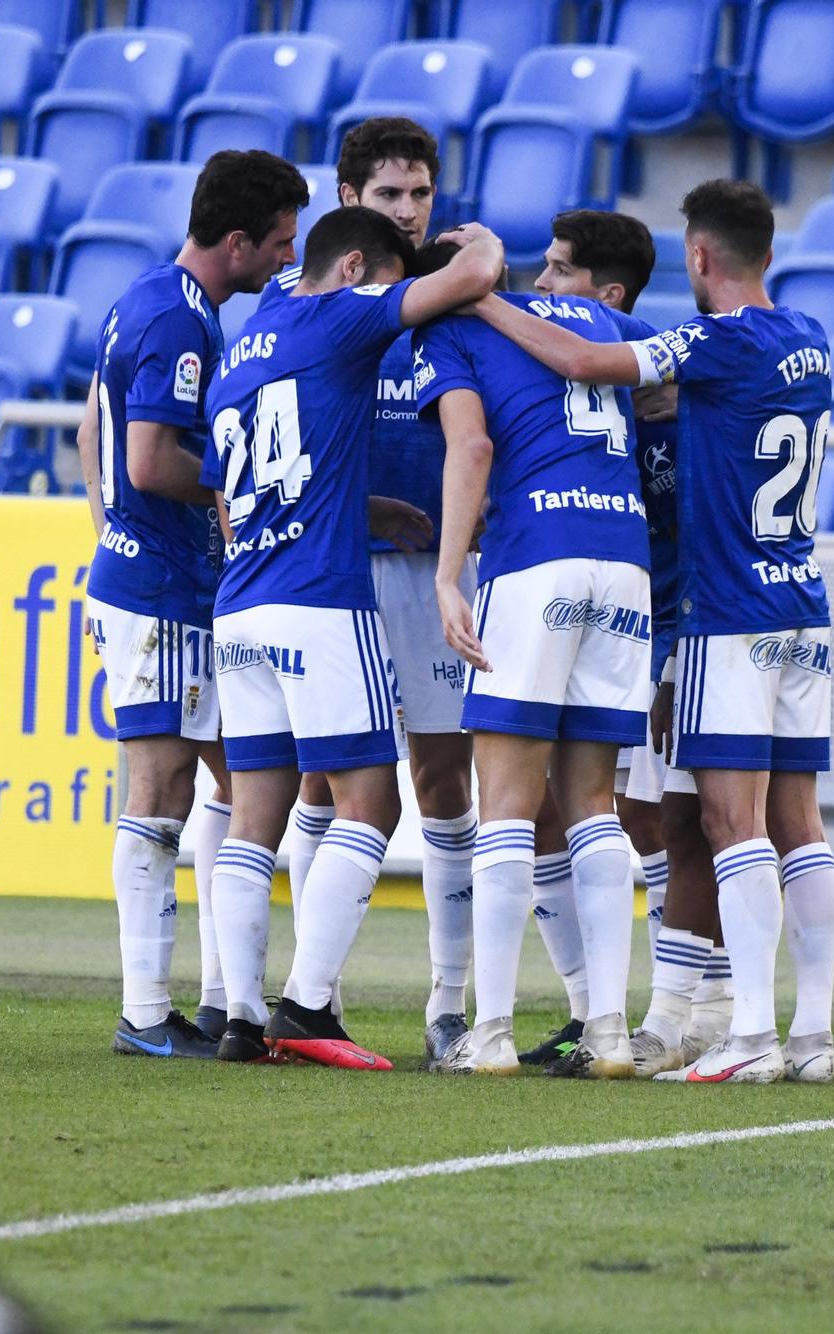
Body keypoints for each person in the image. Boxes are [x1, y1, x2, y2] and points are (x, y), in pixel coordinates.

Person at [470, 180, 834, 1084]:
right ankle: (812, 1036)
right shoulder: (808, 336)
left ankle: (748, 1032)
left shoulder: (715, 340)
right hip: (802, 601)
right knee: (799, 824)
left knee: (729, 820)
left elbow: (592, 365)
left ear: (699, 258)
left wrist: (480, 297)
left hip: (727, 613)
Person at [205, 207, 505, 1068]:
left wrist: (359, 506)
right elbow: (472, 279)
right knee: (371, 800)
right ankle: (307, 1009)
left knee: (250, 820)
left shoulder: (244, 348)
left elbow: (245, 489)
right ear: (353, 268)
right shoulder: (339, 310)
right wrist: (479, 243)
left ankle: (240, 1015)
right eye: (383, 280)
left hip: (243, 601)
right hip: (319, 601)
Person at [75, 149, 311, 1060]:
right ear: (239, 240)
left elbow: (96, 432)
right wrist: (234, 494)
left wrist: (111, 532)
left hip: (156, 577)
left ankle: (223, 999)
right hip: (165, 588)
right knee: (164, 787)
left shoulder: (149, 299)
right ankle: (147, 1011)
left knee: (229, 778)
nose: (285, 264)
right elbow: (145, 461)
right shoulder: (181, 321)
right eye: (280, 244)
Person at [259, 117, 481, 1066]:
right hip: (331, 572)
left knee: (443, 777)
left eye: (420, 194)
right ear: (349, 198)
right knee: (326, 779)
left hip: (433, 571)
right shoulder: (297, 294)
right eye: (389, 195)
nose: (408, 210)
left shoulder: (453, 299)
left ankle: (449, 1001)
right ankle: (322, 991)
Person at [415, 243, 654, 1078]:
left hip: (536, 556)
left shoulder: (449, 331)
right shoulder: (597, 315)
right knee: (593, 804)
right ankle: (612, 1029)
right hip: (624, 559)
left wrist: (448, 576)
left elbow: (471, 450)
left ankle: (493, 1032)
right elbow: (658, 393)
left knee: (508, 805)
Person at [526, 209, 725, 1077]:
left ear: (607, 295)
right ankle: (591, 1007)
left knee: (685, 820)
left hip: (680, 628)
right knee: (552, 813)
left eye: (558, 270)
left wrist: (683, 655)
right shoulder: (580, 378)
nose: (540, 286)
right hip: (606, 618)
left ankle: (700, 1005)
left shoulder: (670, 379)